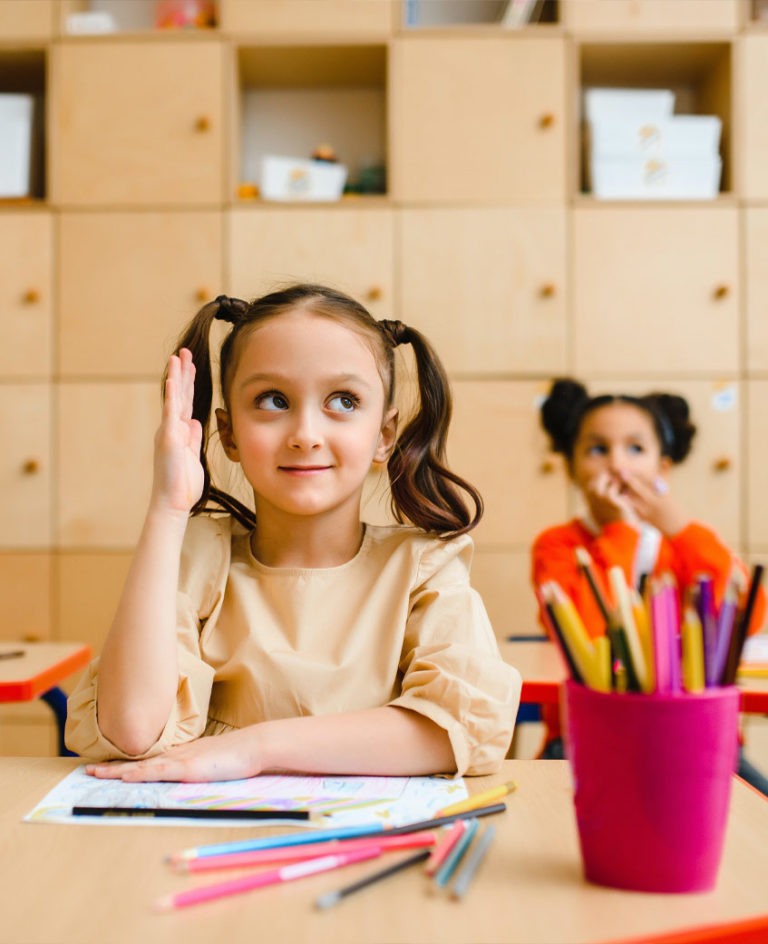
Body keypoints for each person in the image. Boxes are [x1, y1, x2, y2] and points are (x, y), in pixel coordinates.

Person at [65, 284, 521, 782]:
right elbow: (131, 729)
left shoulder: (424, 568)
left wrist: (256, 748)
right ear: (229, 434)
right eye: (273, 399)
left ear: (384, 436)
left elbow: (458, 729)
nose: (306, 433)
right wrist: (168, 508)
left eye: (343, 401)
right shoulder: (197, 555)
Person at [530, 378, 768, 794]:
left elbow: (745, 616)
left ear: (663, 468)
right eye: (597, 449)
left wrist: (678, 526)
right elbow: (585, 630)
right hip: (582, 737)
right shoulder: (558, 545)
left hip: (696, 737)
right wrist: (620, 532)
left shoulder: (686, 542)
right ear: (571, 466)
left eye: (636, 448)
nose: (618, 465)